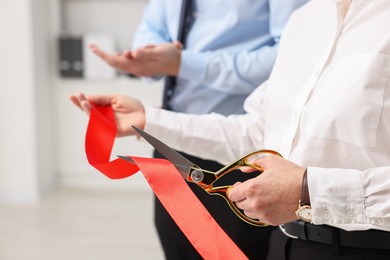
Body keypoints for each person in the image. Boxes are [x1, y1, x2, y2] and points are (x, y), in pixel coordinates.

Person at [70, 0, 390, 259]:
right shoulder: (306, 19)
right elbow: (258, 132)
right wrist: (148, 120)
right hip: (288, 244)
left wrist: (310, 190)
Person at [87, 0, 308, 259]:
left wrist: (183, 63)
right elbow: (153, 26)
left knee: (239, 251)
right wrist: (142, 57)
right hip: (171, 143)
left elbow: (291, 58)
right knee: (178, 247)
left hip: (243, 155)